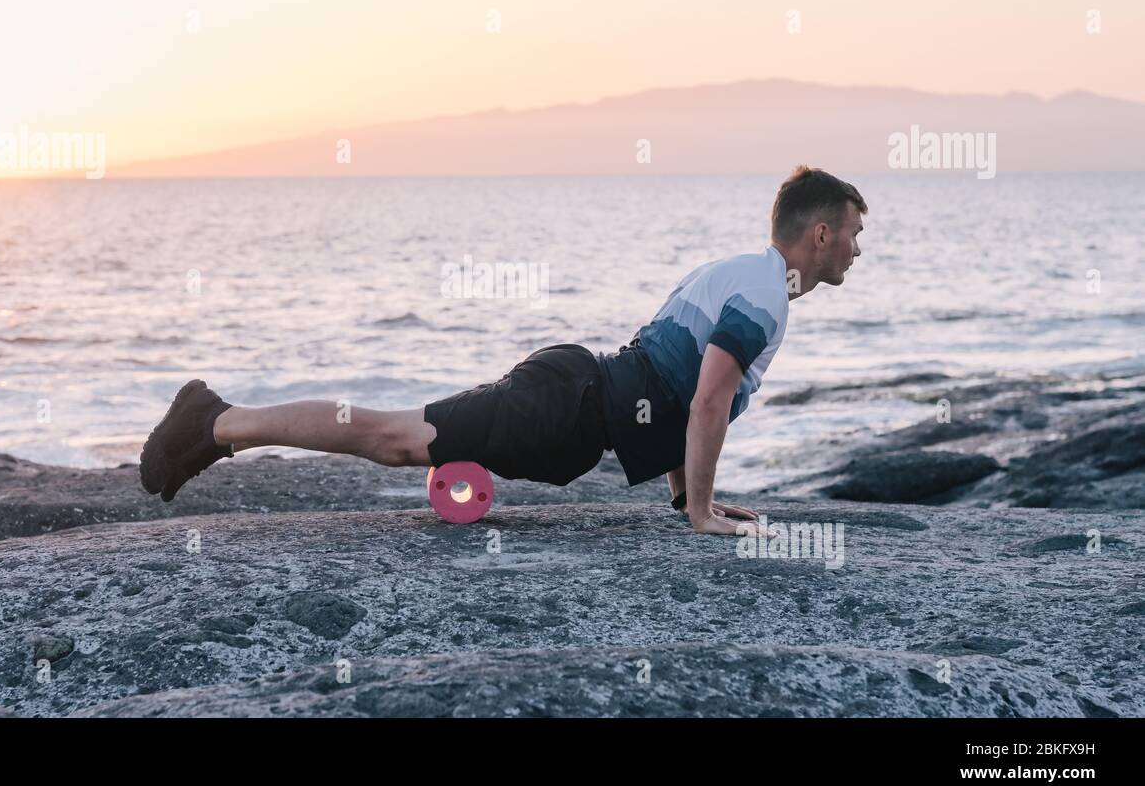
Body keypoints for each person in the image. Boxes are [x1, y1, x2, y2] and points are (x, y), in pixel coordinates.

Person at [138, 165, 866, 537]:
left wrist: (685, 499)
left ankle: (217, 426)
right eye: (854, 233)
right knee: (395, 439)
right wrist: (704, 513)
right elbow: (706, 401)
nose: (859, 250)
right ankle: (216, 423)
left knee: (401, 436)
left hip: (573, 397)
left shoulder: (742, 275)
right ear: (821, 233)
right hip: (566, 410)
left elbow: (676, 389)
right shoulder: (765, 293)